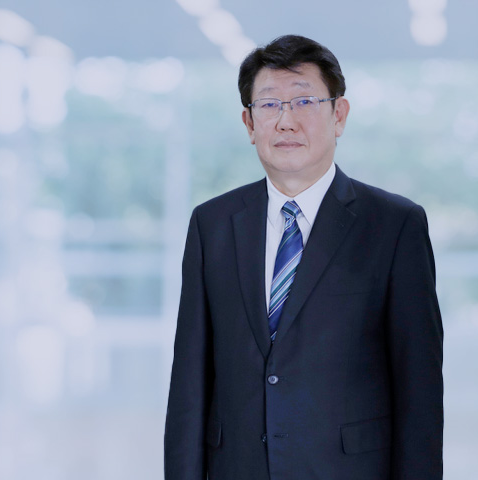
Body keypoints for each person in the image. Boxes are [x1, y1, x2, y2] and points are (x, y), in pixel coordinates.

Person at [163, 34, 444, 480]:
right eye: (269, 105)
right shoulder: (212, 224)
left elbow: (419, 389)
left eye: (305, 102)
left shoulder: (395, 225)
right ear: (249, 123)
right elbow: (189, 383)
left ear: (339, 115)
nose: (286, 121)